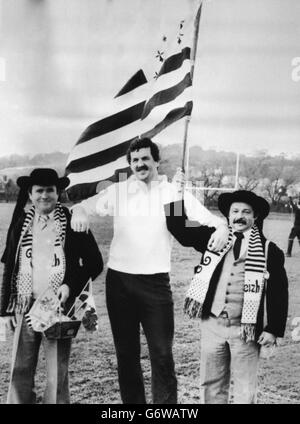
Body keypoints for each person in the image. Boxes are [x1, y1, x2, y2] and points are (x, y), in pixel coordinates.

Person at [71, 137, 229, 404]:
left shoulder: (172, 192)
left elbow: (210, 220)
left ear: (157, 161)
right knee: (127, 355)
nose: (140, 164)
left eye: (145, 158)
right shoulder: (119, 191)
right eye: (135, 160)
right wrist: (79, 211)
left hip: (155, 284)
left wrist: (223, 227)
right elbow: (84, 205)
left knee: (162, 354)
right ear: (130, 165)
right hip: (119, 282)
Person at [164, 189, 288, 404]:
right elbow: (180, 227)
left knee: (245, 390)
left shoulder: (269, 251)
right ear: (228, 215)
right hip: (212, 325)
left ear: (255, 217)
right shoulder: (213, 238)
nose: (240, 216)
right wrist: (175, 194)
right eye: (235, 211)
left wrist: (273, 329)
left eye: (246, 212)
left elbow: (279, 292)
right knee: (210, 385)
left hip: (245, 331)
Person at [0, 168, 103, 404]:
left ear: (58, 193)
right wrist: (4, 310)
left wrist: (70, 285)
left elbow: (95, 263)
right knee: (20, 368)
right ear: (30, 193)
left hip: (58, 307)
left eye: (50, 190)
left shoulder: (72, 220)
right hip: (24, 304)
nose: (44, 195)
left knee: (57, 372)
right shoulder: (20, 224)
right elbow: (10, 269)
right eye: (39, 190)